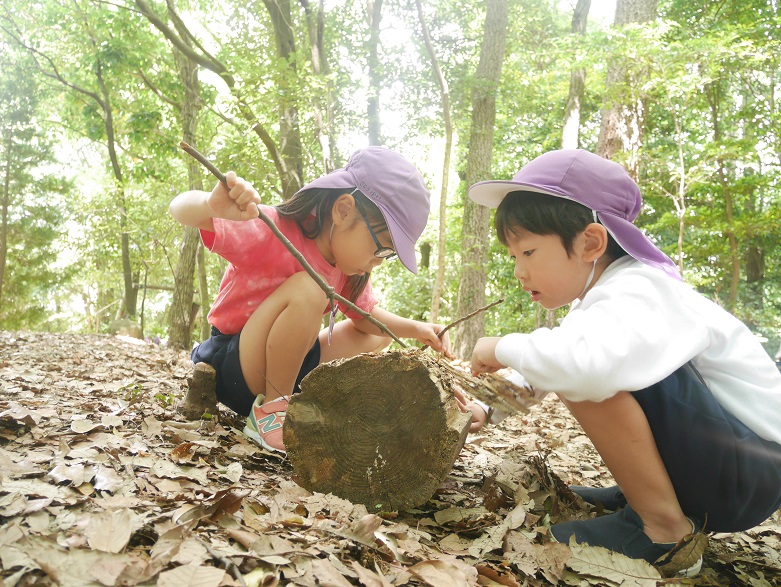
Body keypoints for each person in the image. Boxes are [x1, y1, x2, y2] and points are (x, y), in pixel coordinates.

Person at [467, 149, 781, 576]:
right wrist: (486, 407)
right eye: (514, 256)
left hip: (747, 473)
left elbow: (579, 366)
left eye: (528, 252)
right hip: (734, 467)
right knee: (576, 359)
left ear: (591, 243)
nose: (519, 272)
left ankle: (663, 529)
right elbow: (548, 367)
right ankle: (645, 497)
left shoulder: (640, 289)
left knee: (587, 369)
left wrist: (500, 345)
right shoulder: (608, 300)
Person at [170, 146, 487, 454]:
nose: (378, 261)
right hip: (236, 363)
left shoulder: (347, 269)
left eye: (387, 256)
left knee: (374, 337)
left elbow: (367, 317)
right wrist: (211, 205)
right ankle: (273, 414)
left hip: (289, 368)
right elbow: (181, 209)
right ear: (343, 210)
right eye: (382, 248)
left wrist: (419, 330)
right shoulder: (273, 228)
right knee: (310, 288)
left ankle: (298, 402)